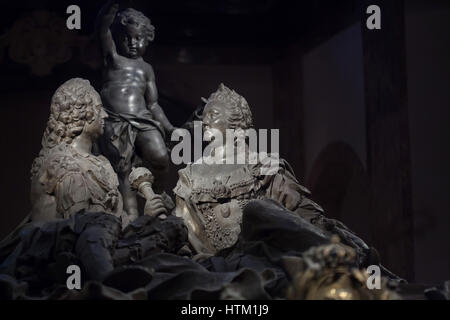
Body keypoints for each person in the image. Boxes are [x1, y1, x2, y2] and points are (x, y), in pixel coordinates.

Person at [97, 1, 175, 219]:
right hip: (115, 121)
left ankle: (158, 192)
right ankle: (131, 216)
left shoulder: (146, 69)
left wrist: (169, 128)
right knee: (123, 170)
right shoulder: (112, 59)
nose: (132, 43)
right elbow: (102, 29)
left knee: (161, 156)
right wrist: (109, 9)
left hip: (143, 120)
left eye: (138, 38)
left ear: (147, 39)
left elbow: (153, 104)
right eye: (126, 37)